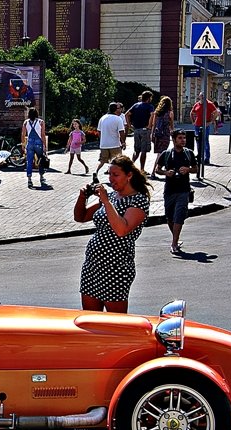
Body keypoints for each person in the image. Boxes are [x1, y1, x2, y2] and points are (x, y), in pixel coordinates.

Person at [73, 155, 151, 313]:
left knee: (115, 324)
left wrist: (106, 202)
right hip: (92, 266)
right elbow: (80, 217)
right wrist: (83, 197)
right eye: (109, 174)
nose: (111, 179)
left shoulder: (138, 201)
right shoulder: (112, 197)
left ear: (129, 176)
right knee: (91, 319)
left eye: (115, 175)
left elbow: (121, 230)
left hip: (116, 268)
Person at [155, 130, 197, 255]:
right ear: (173, 140)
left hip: (183, 190)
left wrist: (188, 169)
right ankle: (176, 238)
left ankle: (174, 243)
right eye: (180, 138)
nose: (183, 140)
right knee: (169, 217)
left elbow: (196, 169)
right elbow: (158, 170)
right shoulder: (166, 154)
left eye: (184, 138)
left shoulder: (189, 153)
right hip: (169, 190)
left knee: (179, 216)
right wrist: (166, 173)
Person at [93, 102, 126, 182]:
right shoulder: (118, 119)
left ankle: (95, 171)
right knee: (117, 161)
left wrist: (102, 140)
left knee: (102, 160)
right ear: (115, 110)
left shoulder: (102, 118)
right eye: (118, 109)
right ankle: (117, 177)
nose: (120, 110)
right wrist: (123, 142)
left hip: (104, 144)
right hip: (114, 144)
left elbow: (99, 131)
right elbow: (121, 132)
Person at [125, 91, 156, 173]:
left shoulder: (136, 105)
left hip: (136, 130)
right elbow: (152, 115)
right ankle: (142, 169)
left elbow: (127, 114)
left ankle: (130, 166)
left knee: (137, 150)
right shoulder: (149, 106)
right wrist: (149, 125)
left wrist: (129, 125)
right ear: (149, 98)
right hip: (145, 130)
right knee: (144, 150)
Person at [21, 107, 47, 187]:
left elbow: (23, 135)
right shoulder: (41, 122)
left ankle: (29, 179)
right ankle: (41, 177)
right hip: (38, 142)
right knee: (40, 160)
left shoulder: (26, 122)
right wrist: (45, 145)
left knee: (29, 161)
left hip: (30, 143)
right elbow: (42, 135)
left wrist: (23, 145)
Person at [148, 97, 175, 176]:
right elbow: (171, 125)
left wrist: (152, 134)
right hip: (165, 135)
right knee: (161, 154)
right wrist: (172, 134)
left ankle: (157, 170)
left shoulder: (157, 112)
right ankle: (155, 171)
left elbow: (154, 124)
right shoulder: (170, 113)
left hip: (157, 135)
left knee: (159, 153)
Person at [189, 93, 217, 166]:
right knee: (198, 141)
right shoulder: (197, 104)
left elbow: (216, 113)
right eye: (201, 96)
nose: (202, 97)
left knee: (205, 141)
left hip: (205, 126)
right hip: (197, 125)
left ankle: (206, 158)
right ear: (199, 96)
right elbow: (191, 112)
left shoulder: (209, 104)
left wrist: (211, 121)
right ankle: (199, 157)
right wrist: (193, 122)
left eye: (204, 96)